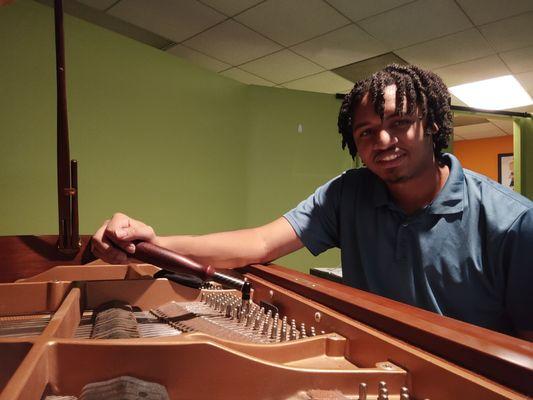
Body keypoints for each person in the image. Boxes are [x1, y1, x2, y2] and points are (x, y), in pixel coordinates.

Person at [92, 64, 533, 340]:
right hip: (373, 361)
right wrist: (150, 241)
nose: (383, 141)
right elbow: (258, 243)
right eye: (366, 132)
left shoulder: (514, 223)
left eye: (400, 123)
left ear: (434, 124)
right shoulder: (349, 193)